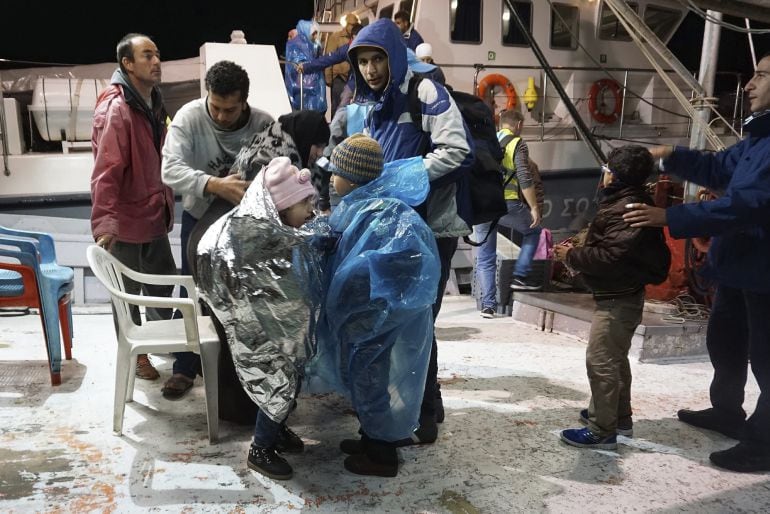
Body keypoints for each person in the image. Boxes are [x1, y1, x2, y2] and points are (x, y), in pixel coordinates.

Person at [622, 54, 770, 472]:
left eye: (760, 75)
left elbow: (750, 204)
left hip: (764, 272)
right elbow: (719, 168)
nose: (748, 84)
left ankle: (764, 442)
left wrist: (670, 216)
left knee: (766, 358)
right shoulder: (759, 138)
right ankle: (726, 411)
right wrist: (669, 154)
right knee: (725, 343)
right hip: (738, 266)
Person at [347, 18, 474, 445]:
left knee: (419, 319)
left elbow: (457, 149)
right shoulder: (367, 104)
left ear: (393, 56)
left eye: (376, 59)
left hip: (431, 227)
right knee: (398, 319)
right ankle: (416, 409)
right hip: (392, 229)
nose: (369, 69)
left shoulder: (425, 91)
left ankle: (425, 412)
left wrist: (406, 175)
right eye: (362, 61)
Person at [310, 134, 440, 477]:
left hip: (374, 318)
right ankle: (371, 436)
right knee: (368, 377)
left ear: (350, 178)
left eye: (335, 172)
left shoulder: (377, 212)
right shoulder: (373, 205)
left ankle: (381, 455)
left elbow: (367, 265)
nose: (332, 179)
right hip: (375, 315)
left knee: (369, 378)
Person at [196, 156, 316, 481]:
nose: (309, 211)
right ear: (281, 208)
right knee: (277, 383)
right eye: (304, 204)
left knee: (289, 382)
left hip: (279, 324)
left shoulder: (274, 230)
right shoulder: (256, 238)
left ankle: (276, 430)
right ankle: (261, 448)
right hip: (258, 330)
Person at [161, 60, 273, 400]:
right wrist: (214, 184)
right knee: (193, 291)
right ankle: (184, 366)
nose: (222, 116)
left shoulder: (264, 123)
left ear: (244, 103)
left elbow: (279, 171)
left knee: (246, 297)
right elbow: (170, 170)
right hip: (200, 217)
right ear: (207, 97)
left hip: (246, 225)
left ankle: (241, 371)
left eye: (230, 109)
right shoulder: (189, 117)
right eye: (216, 107)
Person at [555, 145, 670, 450]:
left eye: (606, 169)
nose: (603, 174)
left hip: (619, 297)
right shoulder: (624, 202)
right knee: (615, 358)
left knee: (601, 360)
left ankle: (601, 430)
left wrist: (573, 255)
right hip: (618, 292)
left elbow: (611, 256)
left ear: (614, 175)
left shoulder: (627, 207)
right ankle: (618, 416)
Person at [90, 33, 176, 381]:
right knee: (125, 296)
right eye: (146, 56)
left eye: (157, 55)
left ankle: (154, 340)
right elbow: (105, 170)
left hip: (153, 215)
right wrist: (105, 224)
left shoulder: (153, 101)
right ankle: (134, 351)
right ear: (127, 63)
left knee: (162, 284)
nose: (156, 62)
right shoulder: (117, 109)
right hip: (125, 221)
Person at [186, 110, 329, 278]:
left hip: (214, 242)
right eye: (317, 145)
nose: (320, 153)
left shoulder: (268, 144)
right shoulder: (273, 165)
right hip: (219, 249)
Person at [296, 23, 363, 115]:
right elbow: (327, 59)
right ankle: (337, 126)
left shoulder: (373, 46)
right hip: (354, 83)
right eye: (354, 39)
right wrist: (306, 66)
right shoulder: (347, 49)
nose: (356, 43)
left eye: (359, 39)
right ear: (351, 38)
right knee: (342, 105)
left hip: (370, 83)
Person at [321, 12, 360, 114]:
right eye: (351, 24)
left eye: (354, 24)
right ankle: (335, 127)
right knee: (337, 105)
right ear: (346, 24)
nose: (352, 26)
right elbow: (329, 57)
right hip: (338, 77)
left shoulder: (357, 37)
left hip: (351, 77)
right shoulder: (335, 37)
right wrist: (328, 78)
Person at [284, 20, 326, 113]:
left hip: (308, 85)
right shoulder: (300, 44)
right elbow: (296, 62)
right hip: (303, 85)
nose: (315, 36)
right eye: (314, 33)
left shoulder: (312, 44)